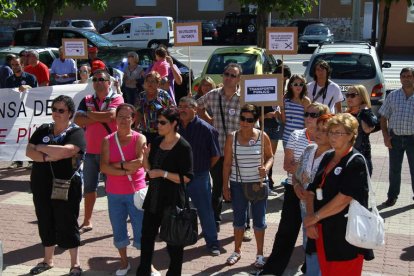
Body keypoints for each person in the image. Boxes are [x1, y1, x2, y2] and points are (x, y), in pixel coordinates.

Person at [259, 102, 330, 276]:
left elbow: (322, 168)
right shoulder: (296, 134)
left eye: (313, 115)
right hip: (294, 188)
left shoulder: (329, 139)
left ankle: (310, 270)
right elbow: (287, 165)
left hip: (316, 194)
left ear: (322, 118)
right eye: (306, 114)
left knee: (313, 234)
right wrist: (308, 168)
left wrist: (302, 166)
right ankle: (273, 270)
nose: (308, 118)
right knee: (286, 231)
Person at [304, 113, 373, 276]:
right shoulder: (328, 156)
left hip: (346, 235)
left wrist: (314, 218)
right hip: (323, 231)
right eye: (331, 132)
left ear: (351, 135)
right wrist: (311, 219)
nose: (332, 136)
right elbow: (311, 192)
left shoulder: (356, 161)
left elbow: (344, 199)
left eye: (338, 133)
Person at [26, 95, 86, 276]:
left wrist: (42, 148)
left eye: (61, 110)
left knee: (68, 222)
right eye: (54, 109)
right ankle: (47, 260)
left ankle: (75, 264)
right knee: (45, 220)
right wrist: (48, 155)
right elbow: (29, 151)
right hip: (41, 183)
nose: (57, 113)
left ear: (70, 113)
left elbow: (68, 151)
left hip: (66, 185)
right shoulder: (44, 128)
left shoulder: (76, 132)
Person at [136, 107, 193, 276]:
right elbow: (149, 169)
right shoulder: (157, 140)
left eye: (162, 122)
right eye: (157, 122)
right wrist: (145, 157)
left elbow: (187, 177)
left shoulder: (183, 146)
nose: (158, 125)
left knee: (173, 243)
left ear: (174, 123)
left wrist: (163, 174)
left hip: (173, 201)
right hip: (154, 199)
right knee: (146, 238)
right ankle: (143, 271)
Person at [222, 104, 274, 268]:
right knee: (238, 220)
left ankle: (259, 254)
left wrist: (266, 168)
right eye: (242, 118)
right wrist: (225, 186)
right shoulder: (232, 137)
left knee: (260, 221)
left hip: (258, 184)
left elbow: (270, 157)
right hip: (238, 184)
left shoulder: (262, 135)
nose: (245, 122)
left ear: (256, 120)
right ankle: (237, 251)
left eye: (249, 120)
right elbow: (227, 164)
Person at [74, 69, 124, 233]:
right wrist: (100, 115)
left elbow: (111, 116)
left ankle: (118, 224)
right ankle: (87, 221)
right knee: (89, 188)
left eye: (101, 79)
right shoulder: (86, 99)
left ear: (109, 82)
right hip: (91, 152)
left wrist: (89, 115)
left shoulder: (117, 98)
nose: (97, 82)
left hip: (111, 152)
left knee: (114, 190)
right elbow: (78, 120)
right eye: (94, 79)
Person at [100, 103, 146, 276]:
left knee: (141, 229)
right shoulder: (107, 140)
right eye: (121, 117)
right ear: (115, 119)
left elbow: (138, 164)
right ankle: (124, 262)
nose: (124, 120)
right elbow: (104, 167)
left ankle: (146, 263)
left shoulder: (139, 138)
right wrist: (125, 167)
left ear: (133, 119)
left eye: (128, 117)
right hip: (114, 193)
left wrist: (116, 167)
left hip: (137, 192)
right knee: (118, 228)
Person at [197, 62, 242, 232]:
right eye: (227, 74)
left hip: (238, 151)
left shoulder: (244, 97)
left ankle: (244, 224)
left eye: (233, 75)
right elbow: (197, 107)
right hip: (217, 150)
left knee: (239, 189)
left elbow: (253, 122)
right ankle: (213, 222)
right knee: (216, 188)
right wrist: (208, 121)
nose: (229, 78)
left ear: (238, 79)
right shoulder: (213, 94)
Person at [178, 97, 221, 256]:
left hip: (199, 176)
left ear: (195, 109)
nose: (182, 109)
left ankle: (212, 243)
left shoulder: (206, 129)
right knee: (178, 210)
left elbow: (215, 155)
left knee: (205, 211)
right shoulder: (174, 126)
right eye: (180, 106)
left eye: (186, 107)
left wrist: (203, 169)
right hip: (178, 177)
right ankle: (179, 238)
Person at [293, 113, 334, 276]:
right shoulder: (309, 149)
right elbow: (296, 175)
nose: (318, 133)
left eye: (324, 130)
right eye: (317, 128)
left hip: (323, 213)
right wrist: (296, 186)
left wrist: (311, 193)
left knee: (322, 249)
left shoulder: (334, 157)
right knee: (308, 245)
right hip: (304, 209)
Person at [379, 67, 414, 207]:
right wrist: (385, 137)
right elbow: (383, 117)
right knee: (394, 169)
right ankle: (392, 197)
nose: (406, 78)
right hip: (395, 138)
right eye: (403, 76)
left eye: (409, 76)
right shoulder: (393, 96)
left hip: (413, 139)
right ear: (400, 78)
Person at [6, 56, 38, 169]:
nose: (15, 67)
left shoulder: (31, 78)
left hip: (29, 112)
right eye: (13, 65)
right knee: (16, 136)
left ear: (22, 65)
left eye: (17, 64)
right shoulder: (9, 80)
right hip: (15, 113)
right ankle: (17, 161)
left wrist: (28, 87)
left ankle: (31, 160)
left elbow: (39, 94)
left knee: (30, 136)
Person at [345, 85, 378, 175]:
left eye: (353, 95)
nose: (349, 98)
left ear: (362, 97)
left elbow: (367, 129)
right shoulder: (346, 114)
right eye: (347, 95)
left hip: (362, 155)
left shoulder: (367, 113)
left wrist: (363, 111)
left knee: (362, 186)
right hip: (345, 155)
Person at [135, 71, 175, 144]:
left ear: (158, 83)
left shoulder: (163, 95)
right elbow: (138, 112)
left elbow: (172, 111)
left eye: (153, 81)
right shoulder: (142, 96)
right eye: (148, 81)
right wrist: (135, 127)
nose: (150, 84)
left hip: (161, 131)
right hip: (145, 131)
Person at [281, 74, 311, 148]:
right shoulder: (285, 98)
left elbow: (307, 122)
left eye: (301, 84)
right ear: (291, 86)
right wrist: (282, 107)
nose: (298, 86)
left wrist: (305, 138)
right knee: (288, 159)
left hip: (300, 138)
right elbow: (284, 120)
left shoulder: (306, 101)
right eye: (295, 84)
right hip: (287, 137)